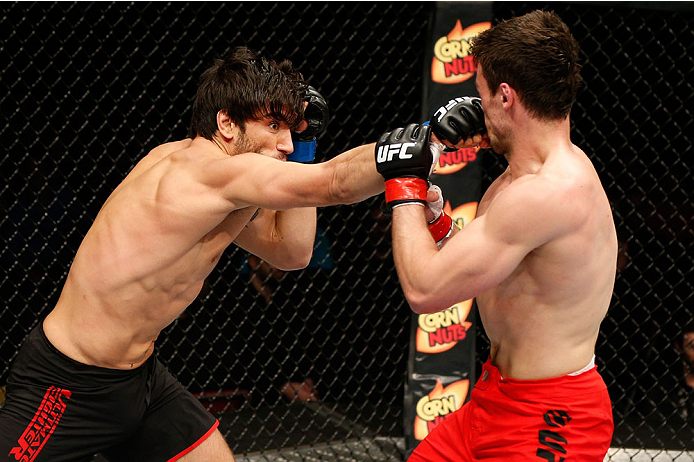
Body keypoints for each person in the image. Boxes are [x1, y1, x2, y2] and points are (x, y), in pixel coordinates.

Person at [0, 46, 385, 461]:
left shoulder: (223, 186)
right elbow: (333, 185)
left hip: (141, 381)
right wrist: (422, 141)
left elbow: (291, 252)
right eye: (273, 125)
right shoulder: (202, 174)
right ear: (226, 123)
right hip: (66, 382)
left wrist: (309, 142)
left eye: (292, 131)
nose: (286, 144)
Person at [375, 10, 617, 461]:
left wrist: (405, 185)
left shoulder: (547, 193)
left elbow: (424, 290)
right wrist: (436, 220)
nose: (476, 104)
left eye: (481, 92)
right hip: (493, 400)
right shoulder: (520, 181)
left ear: (506, 96)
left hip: (553, 416)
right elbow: (488, 276)